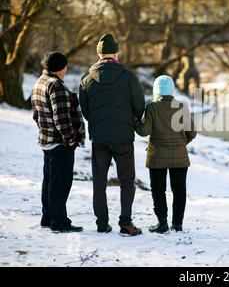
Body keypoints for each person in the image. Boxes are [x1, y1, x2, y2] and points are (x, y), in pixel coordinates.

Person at [79, 33, 145, 236]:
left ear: (99, 54)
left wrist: (98, 124)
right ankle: (125, 223)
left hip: (99, 138)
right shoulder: (128, 77)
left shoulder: (87, 80)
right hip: (123, 137)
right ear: (116, 53)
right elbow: (139, 106)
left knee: (99, 181)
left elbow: (85, 110)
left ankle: (101, 223)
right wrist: (129, 120)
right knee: (127, 180)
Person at [135, 75, 196, 233]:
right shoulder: (182, 106)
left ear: (156, 90)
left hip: (157, 157)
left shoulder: (152, 107)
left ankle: (162, 223)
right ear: (172, 90)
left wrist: (135, 119)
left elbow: (143, 131)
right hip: (180, 156)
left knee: (158, 190)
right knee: (179, 190)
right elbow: (192, 132)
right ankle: (177, 224)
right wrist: (181, 144)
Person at [31, 52, 85, 233]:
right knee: (60, 184)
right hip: (60, 143)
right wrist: (70, 140)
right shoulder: (57, 87)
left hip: (46, 140)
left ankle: (48, 217)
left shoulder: (40, 82)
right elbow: (61, 119)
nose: (67, 69)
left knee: (49, 181)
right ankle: (59, 222)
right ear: (60, 68)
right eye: (65, 66)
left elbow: (36, 115)